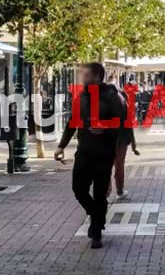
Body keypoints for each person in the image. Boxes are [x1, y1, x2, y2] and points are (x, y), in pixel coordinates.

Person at [55, 63, 123, 249]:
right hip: (84, 151)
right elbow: (72, 122)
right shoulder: (82, 97)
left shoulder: (111, 96)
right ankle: (97, 216)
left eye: (86, 75)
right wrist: (61, 146)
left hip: (104, 153)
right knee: (78, 189)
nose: (82, 78)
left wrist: (104, 128)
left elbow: (120, 123)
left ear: (97, 77)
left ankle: (97, 232)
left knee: (100, 194)